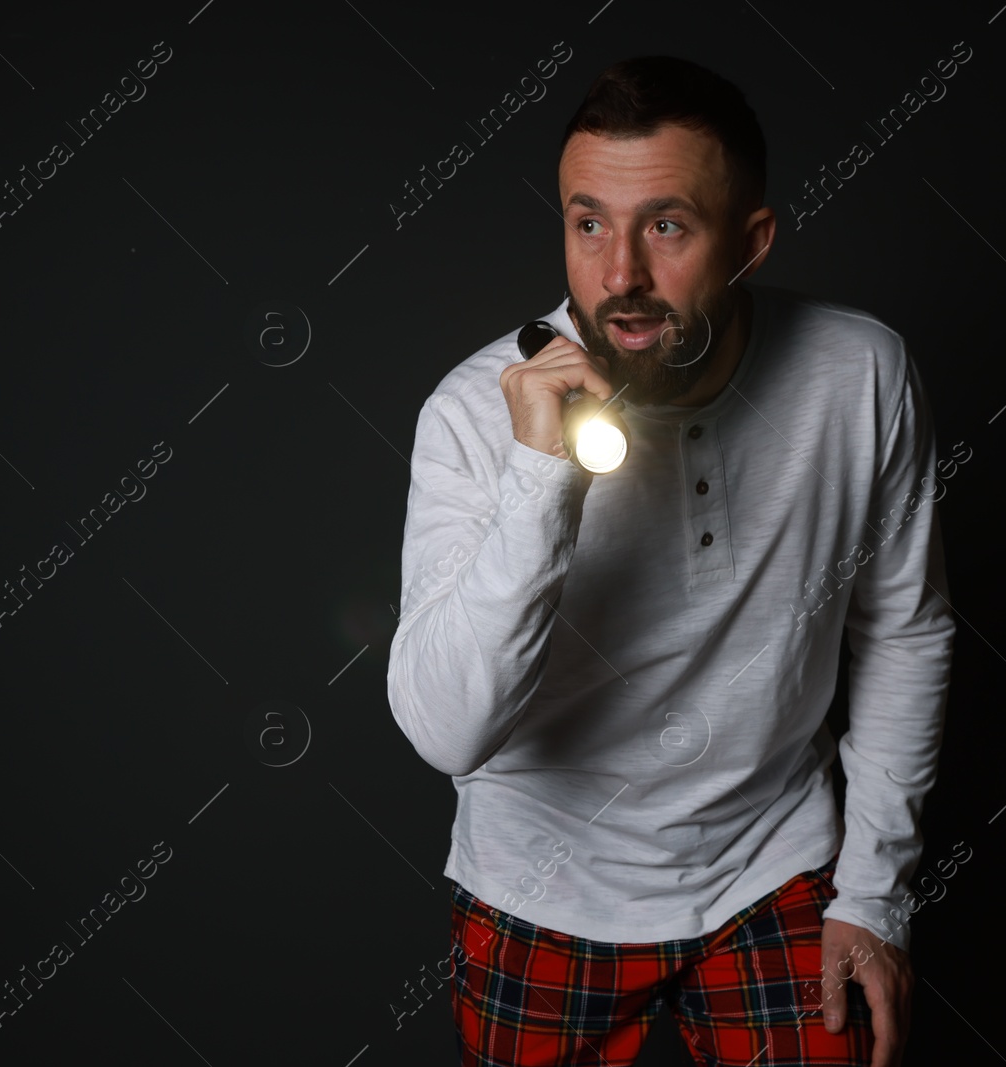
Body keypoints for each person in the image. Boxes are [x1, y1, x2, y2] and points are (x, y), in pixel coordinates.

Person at [386, 54, 955, 1067]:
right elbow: (445, 731)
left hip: (771, 867)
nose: (619, 277)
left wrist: (875, 892)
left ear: (750, 240)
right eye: (587, 222)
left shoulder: (860, 373)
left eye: (667, 226)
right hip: (541, 881)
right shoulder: (477, 415)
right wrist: (538, 473)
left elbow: (902, 628)